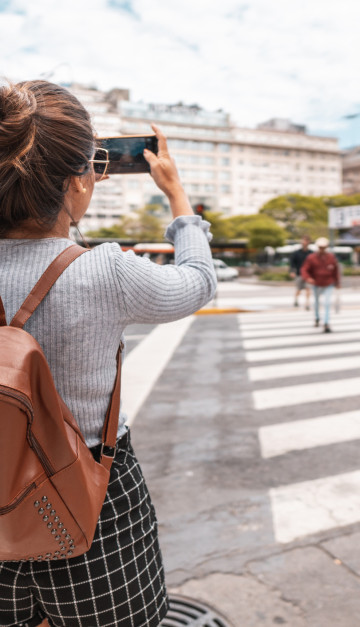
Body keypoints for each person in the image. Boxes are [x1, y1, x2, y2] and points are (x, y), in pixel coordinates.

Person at [0, 80, 217, 627]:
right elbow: (197, 281)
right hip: (93, 497)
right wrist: (177, 196)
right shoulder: (106, 271)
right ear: (78, 183)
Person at [301, 237, 340, 333]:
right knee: (317, 302)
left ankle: (326, 323)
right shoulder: (311, 257)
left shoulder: (331, 257)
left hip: (328, 283)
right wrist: (308, 278)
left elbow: (335, 270)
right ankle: (317, 317)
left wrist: (337, 282)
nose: (322, 249)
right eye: (320, 247)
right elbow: (304, 269)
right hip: (316, 283)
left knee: (327, 303)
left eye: (324, 247)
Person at [289, 235, 312, 309]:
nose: (303, 242)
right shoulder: (297, 253)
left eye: (305, 240)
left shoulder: (311, 253)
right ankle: (296, 300)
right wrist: (292, 271)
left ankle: (307, 303)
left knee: (308, 288)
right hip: (299, 274)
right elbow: (292, 263)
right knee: (299, 289)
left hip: (308, 274)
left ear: (308, 242)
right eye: (302, 240)